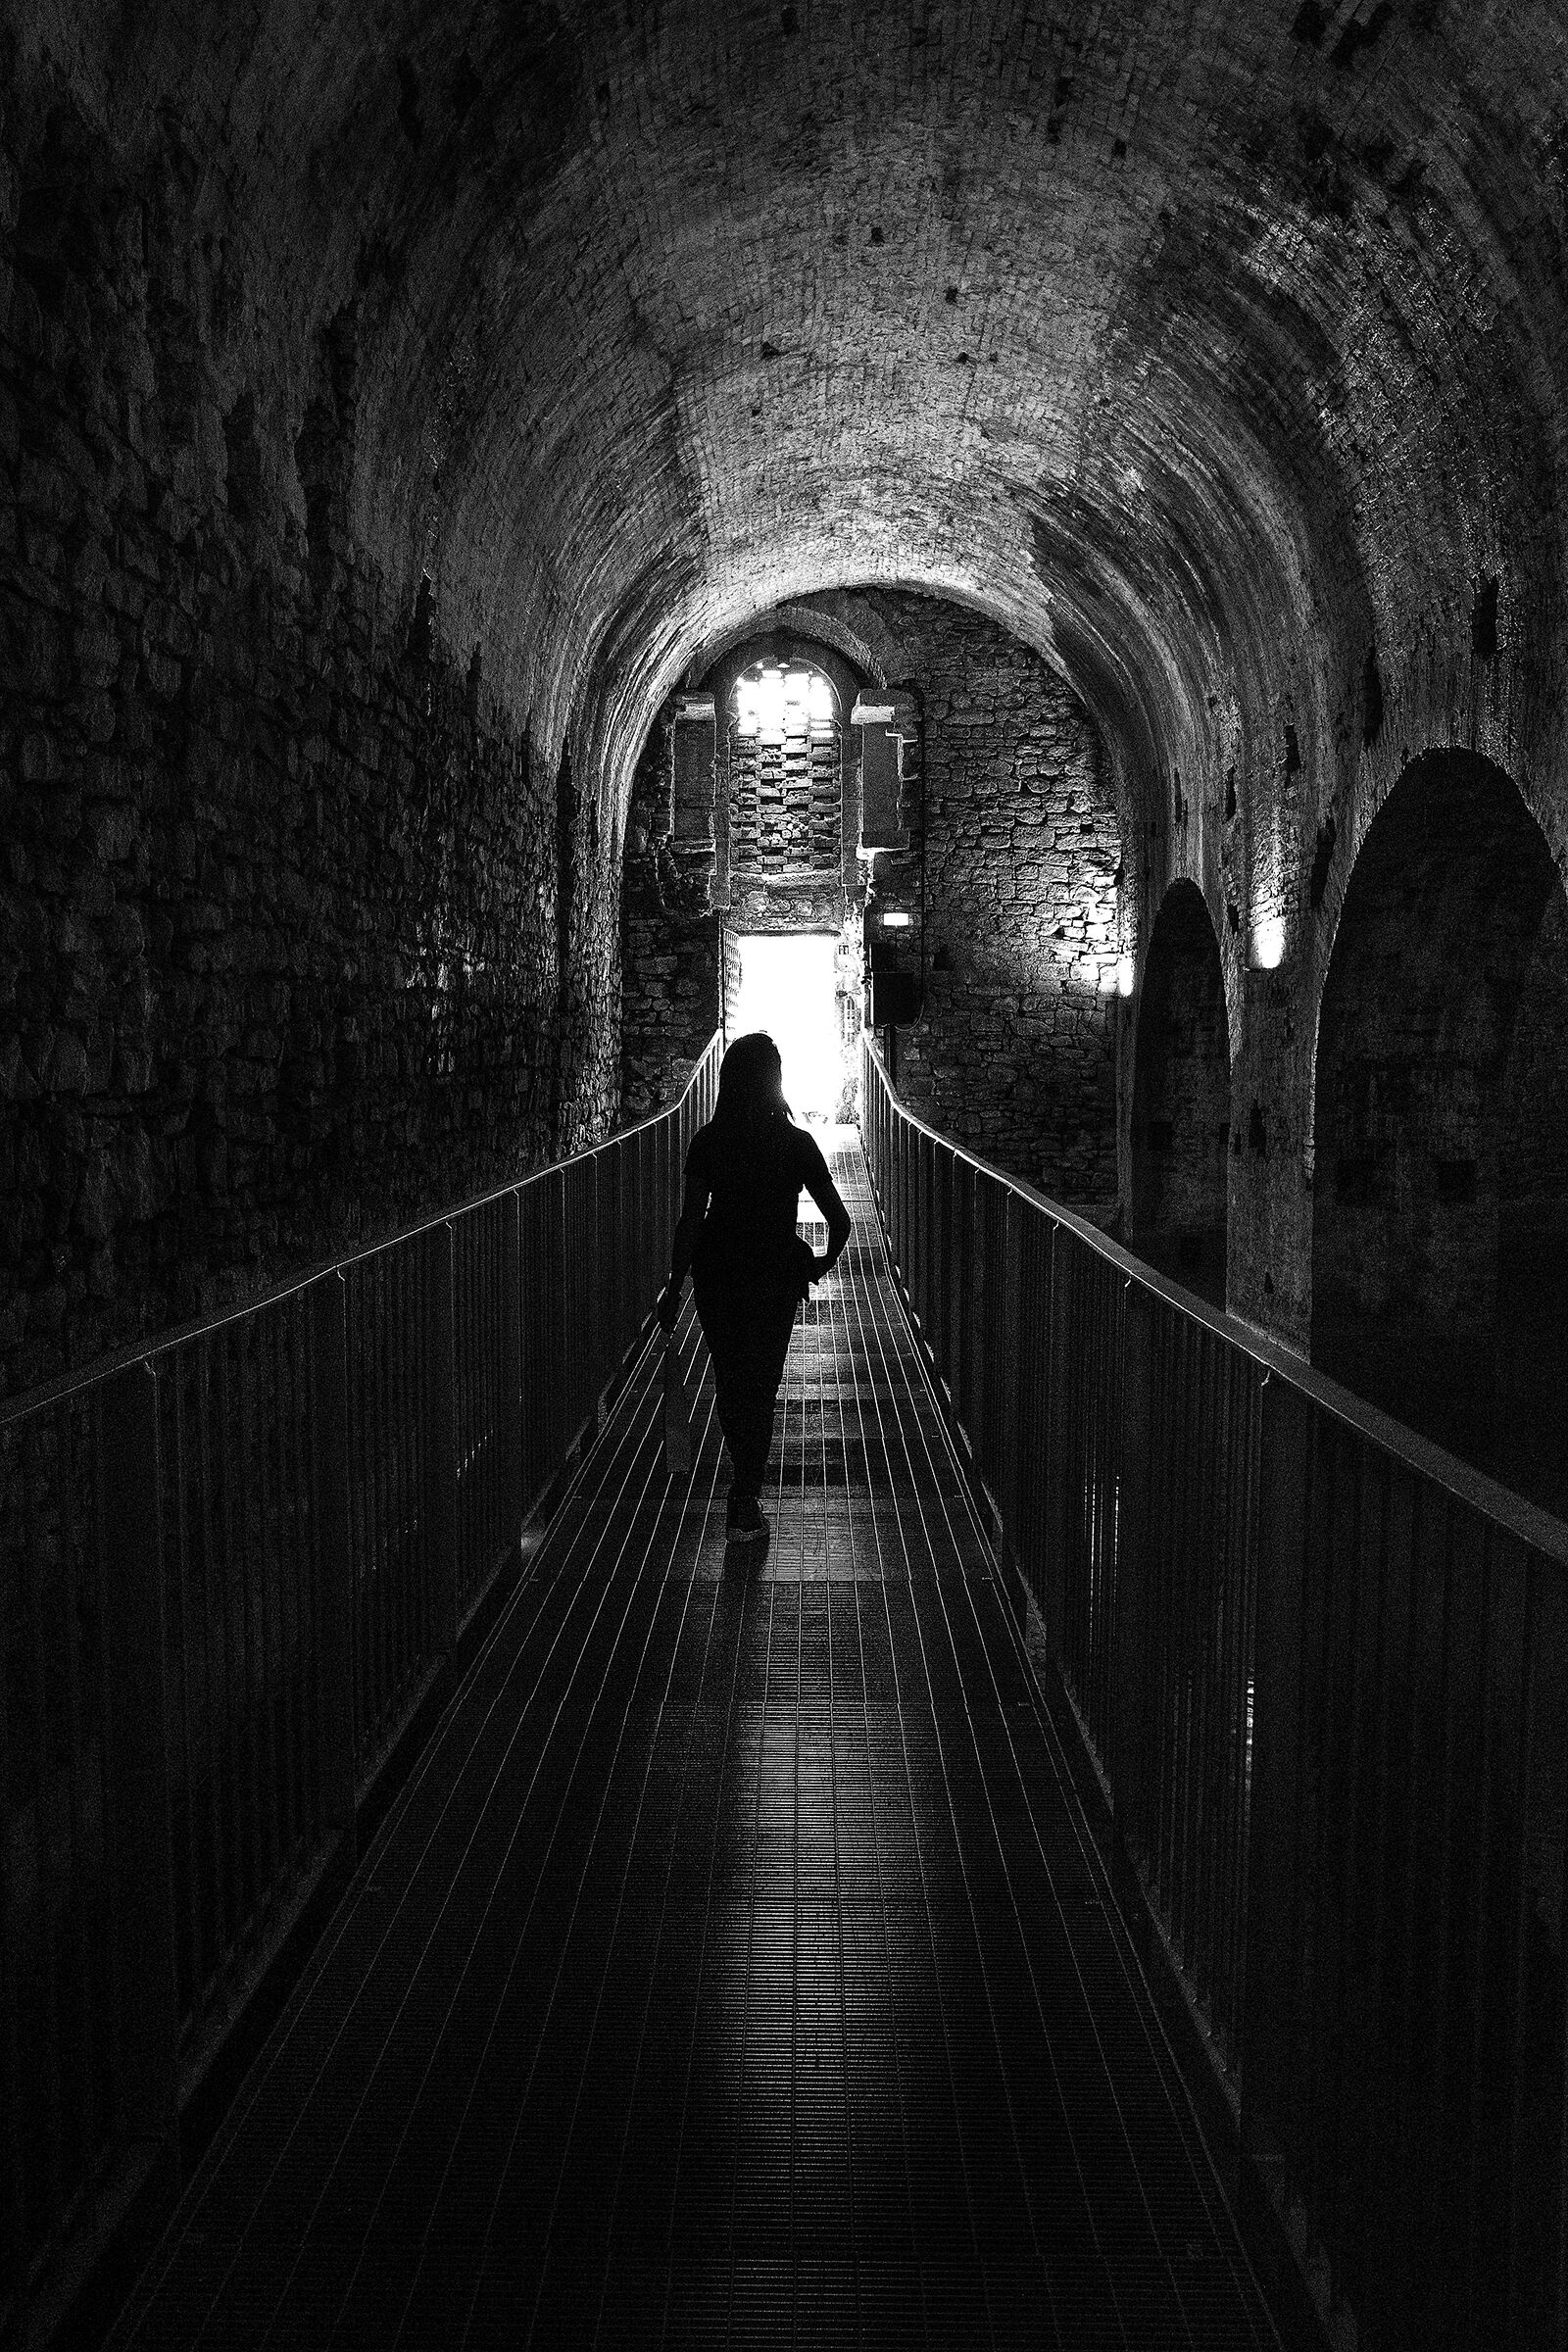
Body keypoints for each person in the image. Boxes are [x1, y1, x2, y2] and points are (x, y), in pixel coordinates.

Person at [658, 1031, 852, 1544]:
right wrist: (818, 1266)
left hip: (718, 1274)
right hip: (772, 1276)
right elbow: (840, 1220)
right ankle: (745, 1495)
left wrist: (675, 1284)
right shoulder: (796, 1143)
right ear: (775, 1080)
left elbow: (690, 1222)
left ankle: (741, 1484)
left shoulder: (708, 1142)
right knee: (761, 1385)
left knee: (729, 1380)